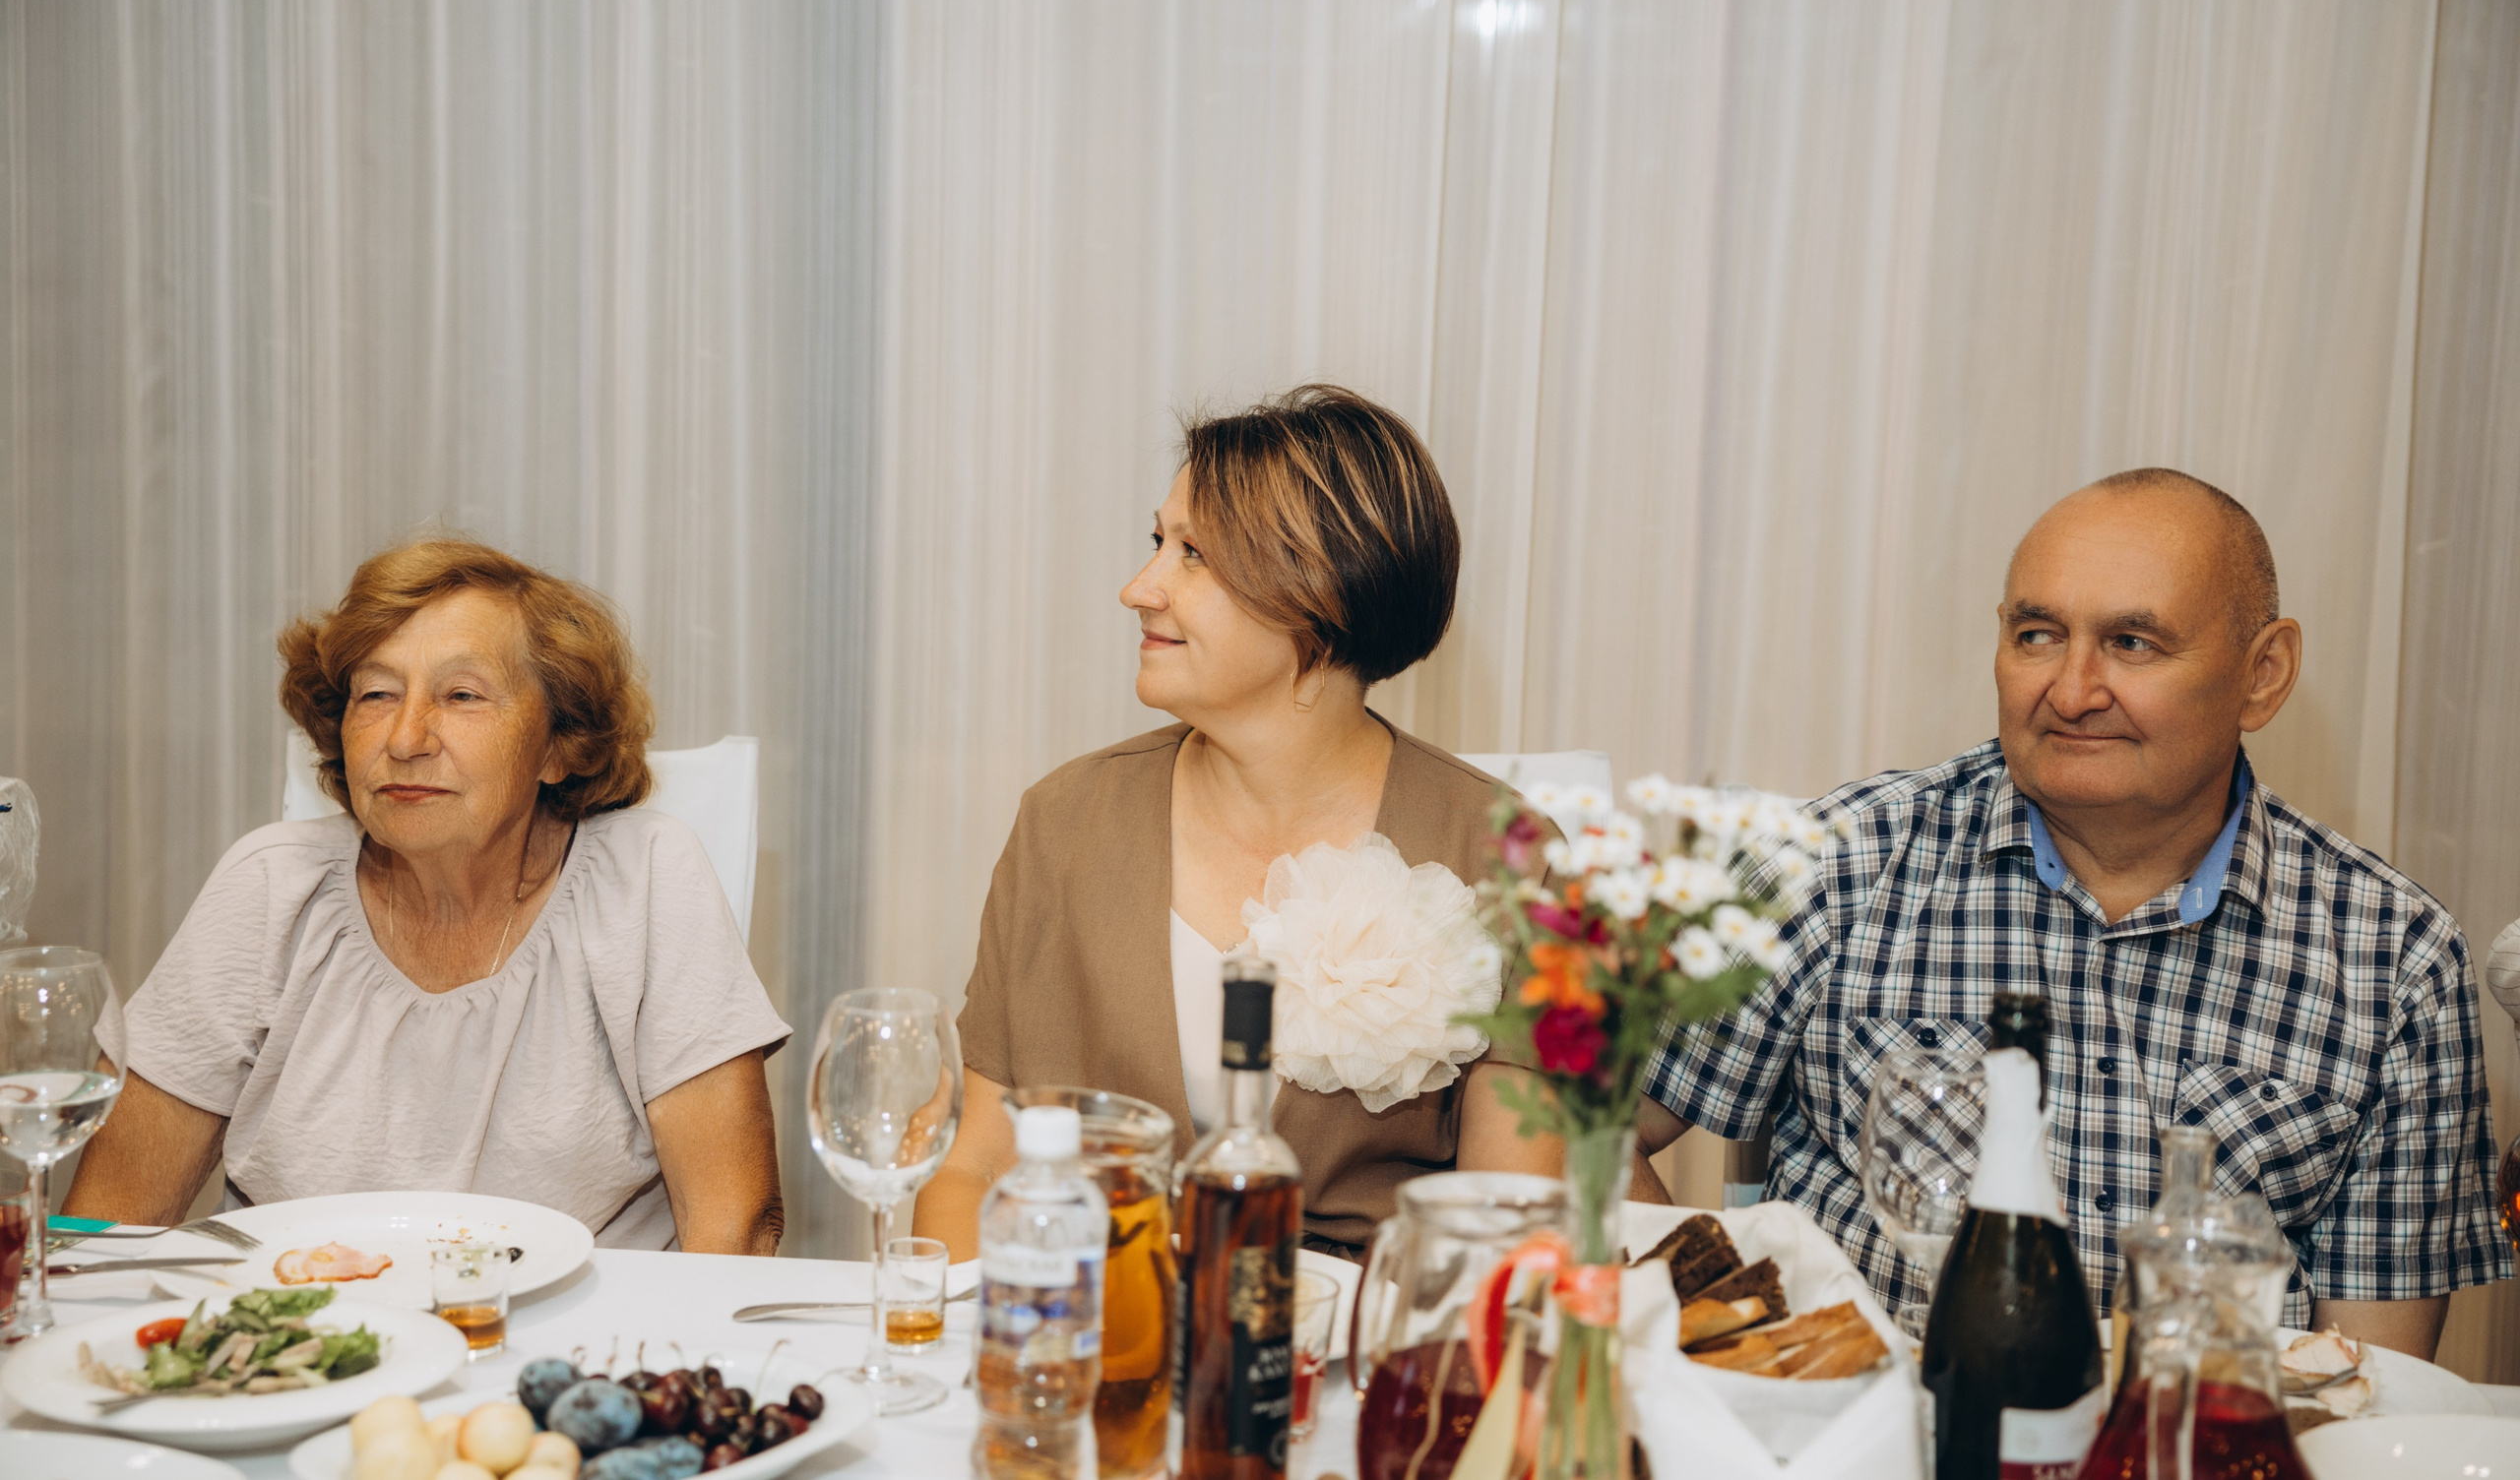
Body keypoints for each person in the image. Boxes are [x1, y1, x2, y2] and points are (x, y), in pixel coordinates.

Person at [1637, 468, 2503, 1360]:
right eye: (2037, 634)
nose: (2072, 688)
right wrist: (1737, 1366)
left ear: (2262, 674)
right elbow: (1578, 1128)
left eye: (2132, 642)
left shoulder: (2395, 956)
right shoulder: (1826, 864)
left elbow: (2372, 1366)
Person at [917, 385, 1569, 1261]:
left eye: (1194, 555)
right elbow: (969, 1171)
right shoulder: (1064, 822)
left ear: (1321, 591)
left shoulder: (1505, 857)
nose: (1138, 587)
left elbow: (1511, 1226)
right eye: (1159, 542)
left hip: (1360, 1359)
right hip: (1099, 1341)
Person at [70, 540, 788, 1252]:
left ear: (556, 747)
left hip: (578, 1351)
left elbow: (736, 1225)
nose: (406, 736)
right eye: (376, 693)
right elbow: (105, 1225)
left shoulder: (646, 878)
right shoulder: (268, 886)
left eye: (462, 695)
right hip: (310, 1343)